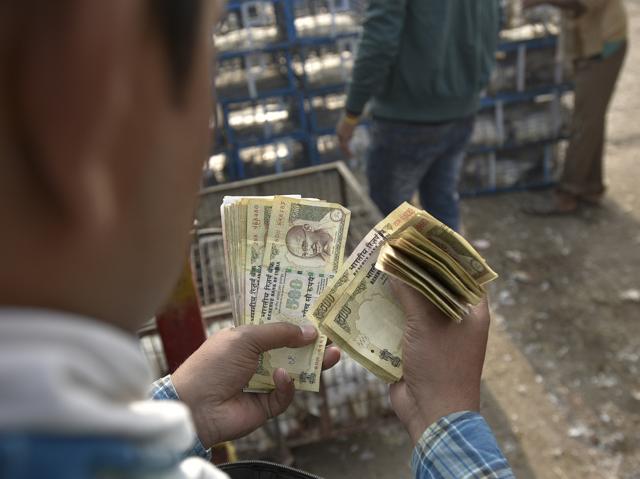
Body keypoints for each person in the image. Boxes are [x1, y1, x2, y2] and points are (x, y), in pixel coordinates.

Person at [0, 1, 514, 478]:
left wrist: (179, 409)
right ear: (103, 115)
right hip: (460, 108)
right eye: (212, 51)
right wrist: (446, 418)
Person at [335, 1, 500, 232]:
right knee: (441, 204)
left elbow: (378, 44)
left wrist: (352, 112)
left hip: (408, 117)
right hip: (461, 109)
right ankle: (449, 265)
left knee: (391, 214)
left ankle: (412, 265)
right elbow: (494, 22)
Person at [523, 0, 627, 214]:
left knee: (584, 121)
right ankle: (591, 187)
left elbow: (583, 4)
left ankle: (567, 193)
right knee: (592, 118)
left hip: (603, 47)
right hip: (587, 45)